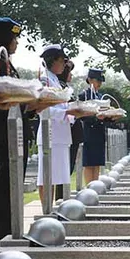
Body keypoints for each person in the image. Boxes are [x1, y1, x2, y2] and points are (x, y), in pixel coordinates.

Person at [0, 17, 38, 250]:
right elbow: (1, 98)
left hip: (14, 133)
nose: (16, 42)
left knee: (13, 185)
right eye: (14, 37)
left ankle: (11, 232)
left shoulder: (7, 64)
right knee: (6, 187)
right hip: (6, 135)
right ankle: (2, 236)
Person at [36, 44, 73, 204]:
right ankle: (46, 209)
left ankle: (49, 208)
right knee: (46, 175)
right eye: (62, 61)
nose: (64, 65)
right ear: (53, 61)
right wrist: (66, 113)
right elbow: (43, 108)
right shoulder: (45, 79)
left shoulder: (55, 80)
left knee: (56, 175)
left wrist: (73, 112)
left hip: (60, 133)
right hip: (49, 132)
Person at [56, 59, 81, 199]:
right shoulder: (60, 87)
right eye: (69, 71)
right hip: (66, 131)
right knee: (63, 168)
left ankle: (63, 196)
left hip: (72, 133)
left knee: (68, 167)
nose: (71, 75)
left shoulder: (66, 87)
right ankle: (60, 198)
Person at [79, 68, 107, 184]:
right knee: (89, 162)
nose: (99, 83)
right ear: (90, 80)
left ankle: (95, 184)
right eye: (97, 80)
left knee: (97, 163)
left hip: (99, 131)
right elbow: (81, 115)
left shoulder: (101, 96)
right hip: (88, 132)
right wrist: (95, 117)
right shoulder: (84, 95)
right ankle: (89, 185)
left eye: (100, 81)